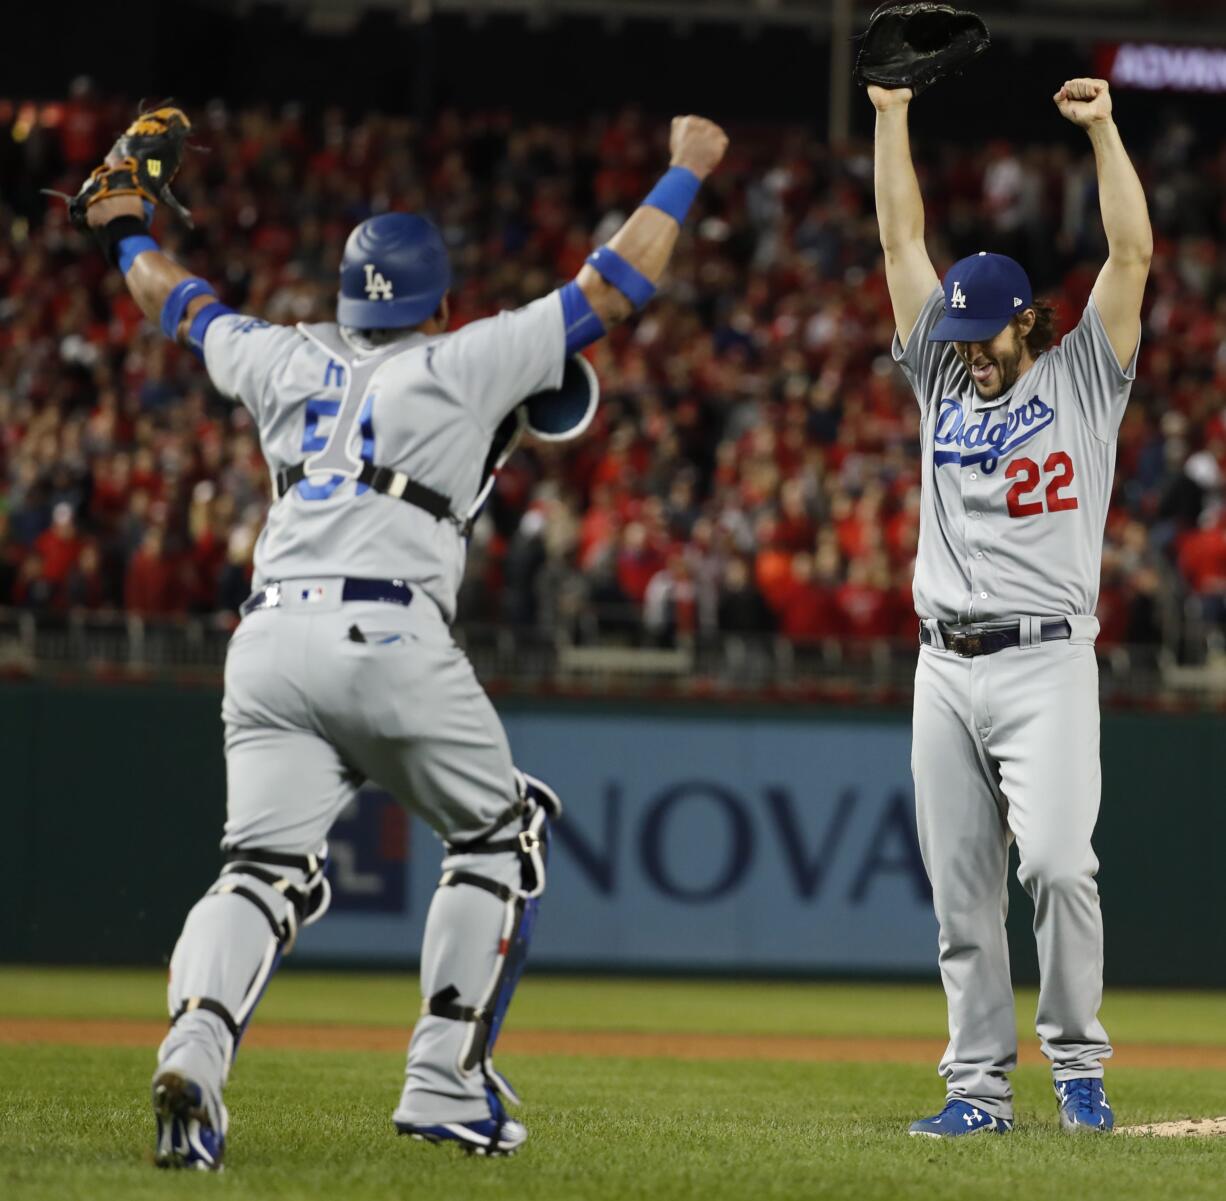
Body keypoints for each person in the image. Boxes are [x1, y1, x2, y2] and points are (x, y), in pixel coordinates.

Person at [77, 110, 728, 1167]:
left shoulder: (276, 354)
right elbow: (615, 286)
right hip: (385, 629)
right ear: (437, 294)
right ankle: (442, 1081)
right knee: (495, 834)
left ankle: (194, 1051)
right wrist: (685, 171)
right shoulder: (465, 360)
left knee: (257, 870)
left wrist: (123, 234)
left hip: (269, 641)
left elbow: (173, 298)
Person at [869, 77, 1151, 1137]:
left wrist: (1102, 131)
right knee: (958, 888)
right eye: (959, 332)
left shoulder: (1081, 378)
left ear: (1028, 321)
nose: (967, 348)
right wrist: (891, 113)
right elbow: (902, 242)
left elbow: (1129, 258)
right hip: (942, 663)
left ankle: (1077, 1066)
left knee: (1055, 863)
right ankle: (974, 1090)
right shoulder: (940, 374)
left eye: (985, 333)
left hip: (1043, 661)